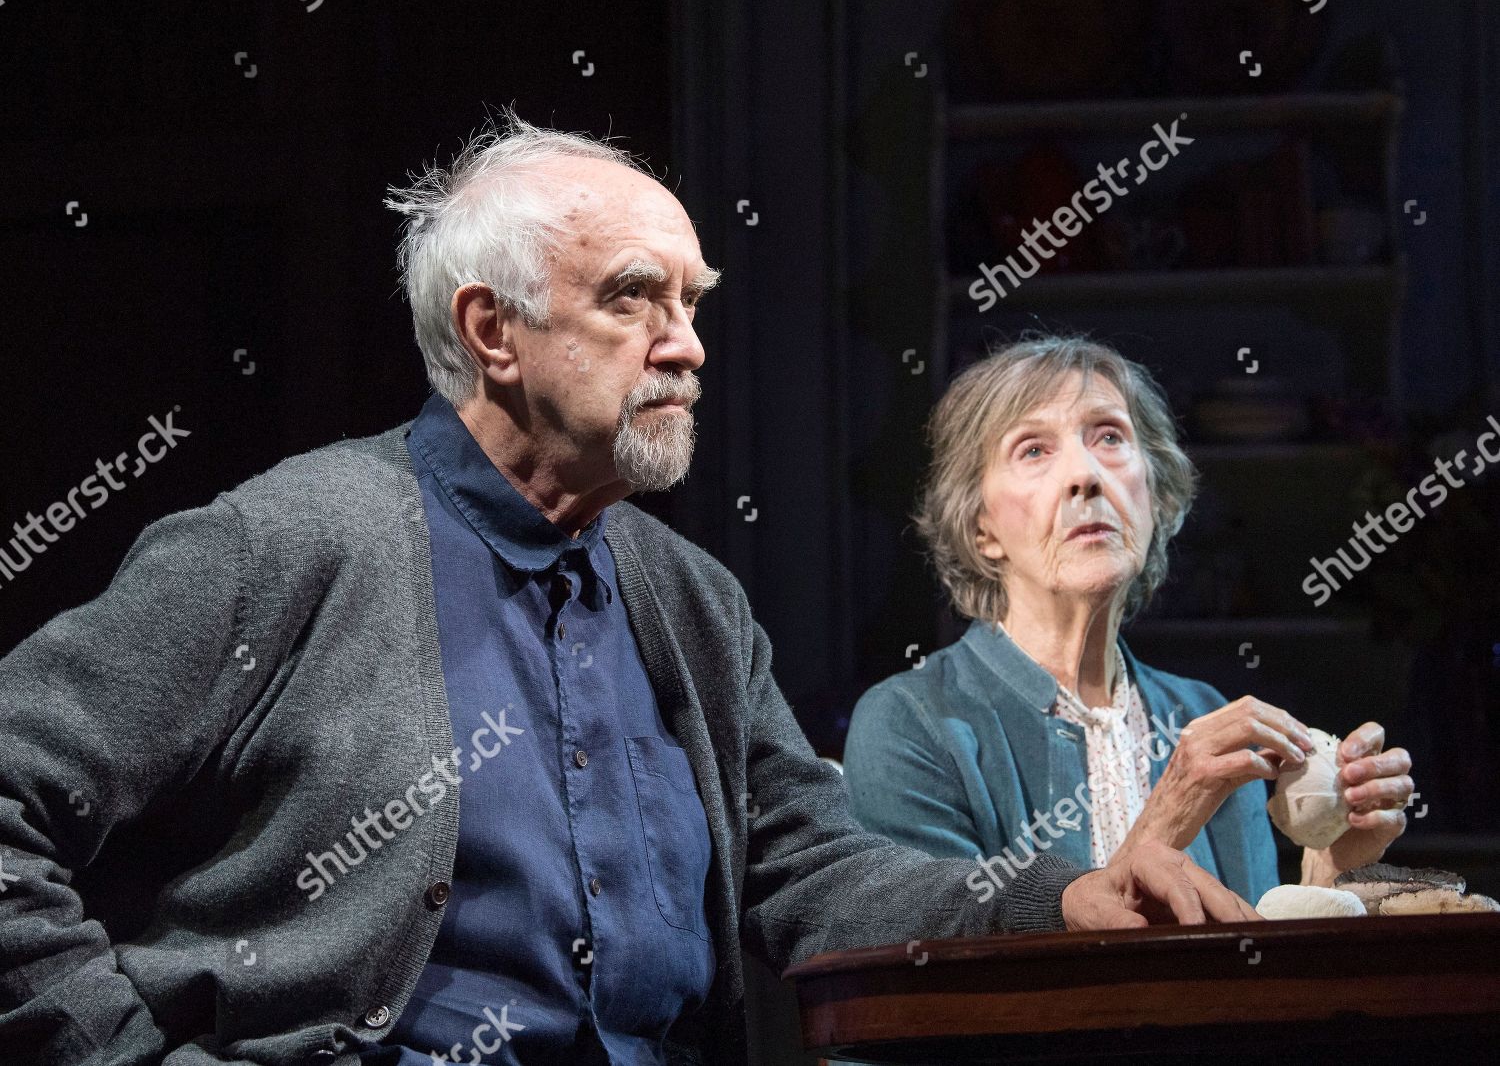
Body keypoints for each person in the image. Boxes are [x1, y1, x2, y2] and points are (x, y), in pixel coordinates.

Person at [0, 119, 1257, 1066]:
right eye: (634, 297)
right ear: (492, 330)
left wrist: (1057, 899)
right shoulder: (286, 542)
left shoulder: (691, 601)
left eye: (694, 302)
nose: (688, 343)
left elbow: (813, 868)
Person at [844, 335, 1415, 906]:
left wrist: (1329, 876)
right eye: (1034, 450)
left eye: (1110, 437)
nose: (1085, 476)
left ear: (1157, 495)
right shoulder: (909, 724)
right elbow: (949, 981)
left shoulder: (1204, 716)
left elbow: (1247, 979)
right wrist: (1172, 811)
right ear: (981, 530)